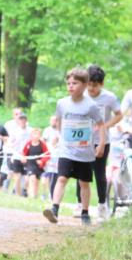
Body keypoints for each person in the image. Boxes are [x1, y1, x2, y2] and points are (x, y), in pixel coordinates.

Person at [44, 68, 106, 225]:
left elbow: (101, 124)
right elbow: (58, 120)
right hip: (67, 150)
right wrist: (60, 136)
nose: (71, 86)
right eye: (68, 83)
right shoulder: (62, 103)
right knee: (62, 178)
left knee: (84, 183)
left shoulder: (91, 106)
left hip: (85, 152)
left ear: (85, 85)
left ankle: (85, 213)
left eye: (75, 83)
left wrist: (101, 144)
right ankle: (54, 209)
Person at [76, 64, 123, 219]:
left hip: (102, 141)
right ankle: (80, 204)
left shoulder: (109, 97)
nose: (91, 88)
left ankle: (102, 205)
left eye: (94, 86)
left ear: (101, 84)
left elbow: (119, 115)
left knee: (100, 174)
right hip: (83, 139)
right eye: (88, 84)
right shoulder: (81, 95)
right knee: (81, 172)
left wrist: (105, 126)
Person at [7, 111, 31, 197]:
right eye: (21, 119)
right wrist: (14, 145)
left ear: (26, 120)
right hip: (17, 156)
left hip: (27, 157)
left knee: (27, 178)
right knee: (17, 177)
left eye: (24, 119)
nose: (22, 121)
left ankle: (26, 191)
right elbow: (9, 144)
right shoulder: (14, 131)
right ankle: (18, 195)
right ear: (18, 120)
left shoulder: (30, 130)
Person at [21, 128, 50, 200]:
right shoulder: (28, 144)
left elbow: (48, 154)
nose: (36, 136)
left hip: (39, 166)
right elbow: (23, 153)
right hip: (30, 164)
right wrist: (23, 158)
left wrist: (42, 161)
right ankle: (32, 195)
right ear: (31, 135)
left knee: (37, 181)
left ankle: (35, 196)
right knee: (32, 178)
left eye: (38, 134)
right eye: (34, 134)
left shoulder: (42, 144)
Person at [41, 114, 61, 199]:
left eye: (56, 120)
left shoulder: (61, 131)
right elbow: (43, 142)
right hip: (49, 155)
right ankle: (43, 193)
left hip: (57, 156)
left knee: (55, 176)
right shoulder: (47, 130)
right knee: (46, 175)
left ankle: (51, 193)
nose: (54, 122)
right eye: (52, 120)